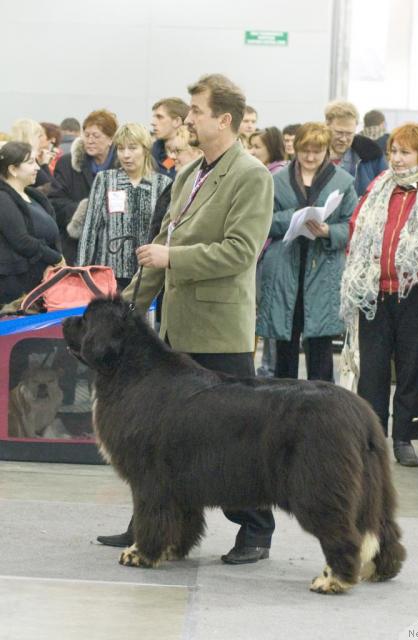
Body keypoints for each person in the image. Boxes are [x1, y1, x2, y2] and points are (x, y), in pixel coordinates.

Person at [97, 73, 275, 566]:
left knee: (239, 440)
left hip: (220, 334)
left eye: (196, 111)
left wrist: (172, 257)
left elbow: (240, 253)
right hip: (174, 334)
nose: (188, 117)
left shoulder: (251, 176)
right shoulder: (188, 174)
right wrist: (124, 308)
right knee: (166, 442)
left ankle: (256, 530)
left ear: (224, 119)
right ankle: (154, 526)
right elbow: (158, 254)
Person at [340, 123, 418, 467]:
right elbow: (356, 225)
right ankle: (372, 438)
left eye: (405, 152)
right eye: (394, 151)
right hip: (374, 291)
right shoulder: (379, 185)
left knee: (411, 367)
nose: (397, 159)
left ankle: (404, 437)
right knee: (373, 370)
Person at [256, 122, 358, 381]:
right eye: (305, 151)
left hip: (323, 270)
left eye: (317, 151)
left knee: (321, 348)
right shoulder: (276, 180)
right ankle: (284, 405)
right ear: (295, 149)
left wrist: (328, 232)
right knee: (286, 344)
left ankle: (322, 409)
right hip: (285, 269)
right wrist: (292, 218)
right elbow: (260, 219)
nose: (310, 157)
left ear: (326, 151)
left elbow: (353, 225)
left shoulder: (343, 182)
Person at [73, 123, 171, 289]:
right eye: (120, 148)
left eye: (132, 148)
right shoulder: (105, 179)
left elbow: (166, 232)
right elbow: (90, 228)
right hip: (109, 275)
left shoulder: (163, 183)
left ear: (145, 149)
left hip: (147, 275)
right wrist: (82, 271)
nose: (126, 155)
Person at [48, 109, 118, 265]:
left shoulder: (122, 167)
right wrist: (85, 210)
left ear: (110, 139)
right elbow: (55, 201)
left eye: (96, 136)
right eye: (86, 135)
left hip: (112, 248)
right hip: (74, 247)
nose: (90, 140)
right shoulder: (67, 163)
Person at [0, 142, 62, 305]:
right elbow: (21, 241)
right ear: (13, 170)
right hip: (16, 286)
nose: (37, 168)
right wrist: (57, 258)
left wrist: (54, 262)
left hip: (42, 279)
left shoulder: (33, 195)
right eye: (30, 163)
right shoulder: (3, 198)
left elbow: (53, 233)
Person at [248, 127, 287, 377]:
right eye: (250, 146)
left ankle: (269, 368)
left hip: (271, 255)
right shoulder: (261, 173)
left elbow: (266, 218)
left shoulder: (276, 176)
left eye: (257, 147)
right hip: (262, 254)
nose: (251, 152)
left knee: (269, 313)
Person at [325, 100, 387, 196]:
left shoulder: (372, 154)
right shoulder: (312, 153)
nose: (344, 139)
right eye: (339, 132)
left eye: (349, 133)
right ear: (327, 125)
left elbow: (386, 190)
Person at [151, 98, 190, 179]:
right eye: (154, 117)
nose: (153, 123)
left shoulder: (196, 152)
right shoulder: (151, 151)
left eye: (160, 117)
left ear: (176, 121)